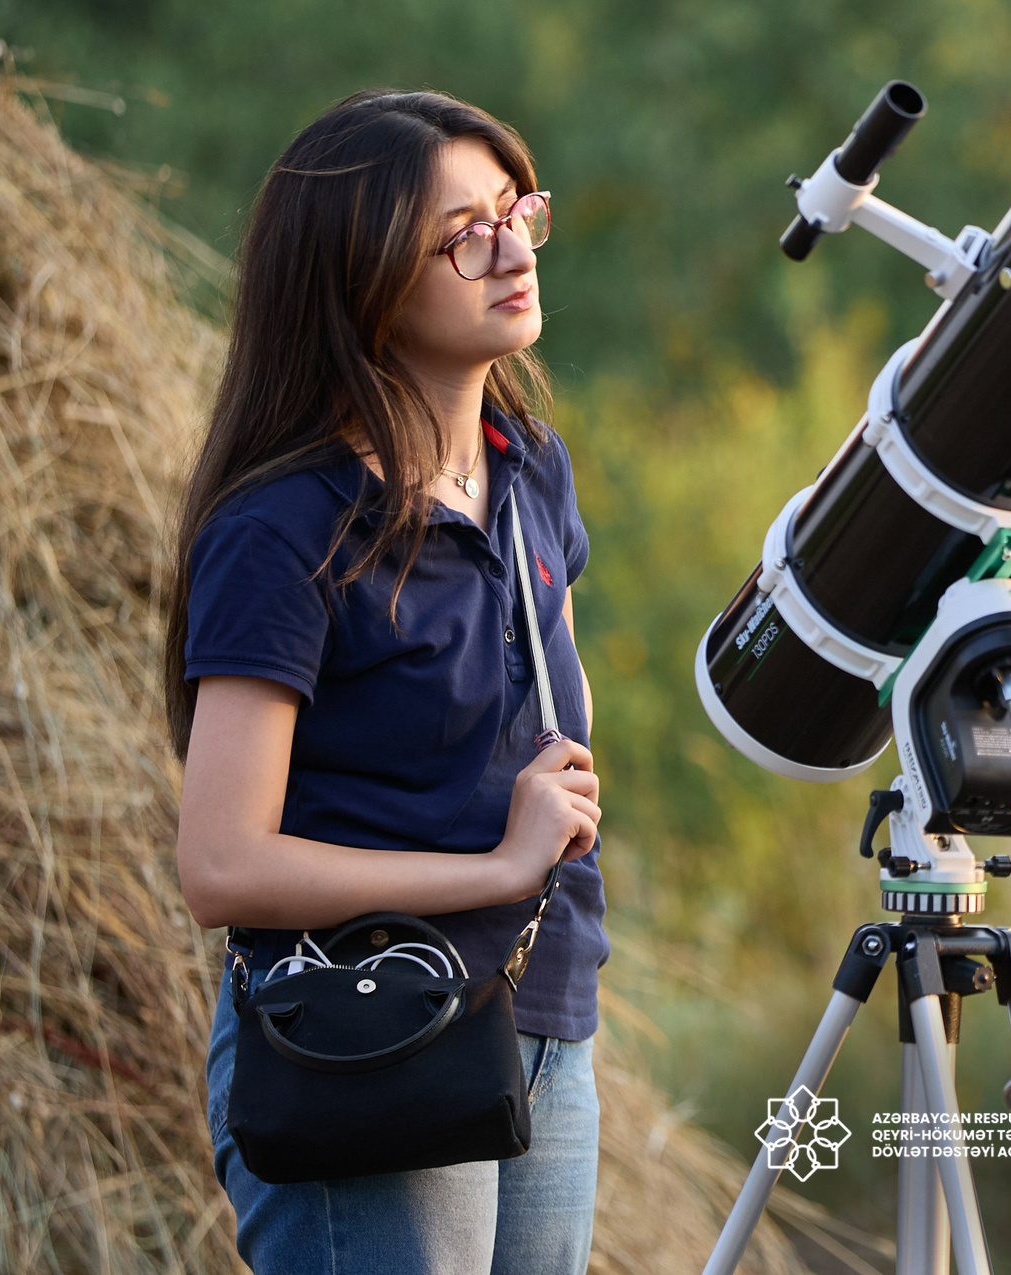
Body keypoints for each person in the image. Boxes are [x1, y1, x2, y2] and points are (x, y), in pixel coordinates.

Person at [166, 90, 607, 1274]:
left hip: (543, 1016)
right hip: (365, 1037)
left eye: (516, 211)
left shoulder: (527, 471)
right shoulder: (288, 527)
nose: (511, 250)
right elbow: (220, 864)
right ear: (360, 281)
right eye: (464, 234)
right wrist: (496, 865)